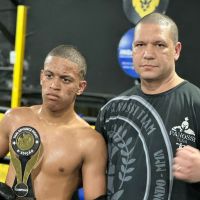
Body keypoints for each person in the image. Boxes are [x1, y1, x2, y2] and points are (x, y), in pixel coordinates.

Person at [95, 12, 200, 200]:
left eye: (159, 45)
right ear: (133, 50)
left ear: (176, 50)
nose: (148, 54)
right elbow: (94, 176)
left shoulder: (196, 103)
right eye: (140, 45)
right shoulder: (110, 112)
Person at [0, 44, 107, 200]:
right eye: (49, 76)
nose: (54, 86)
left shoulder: (90, 142)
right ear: (42, 77)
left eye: (65, 79)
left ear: (80, 87)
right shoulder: (14, 118)